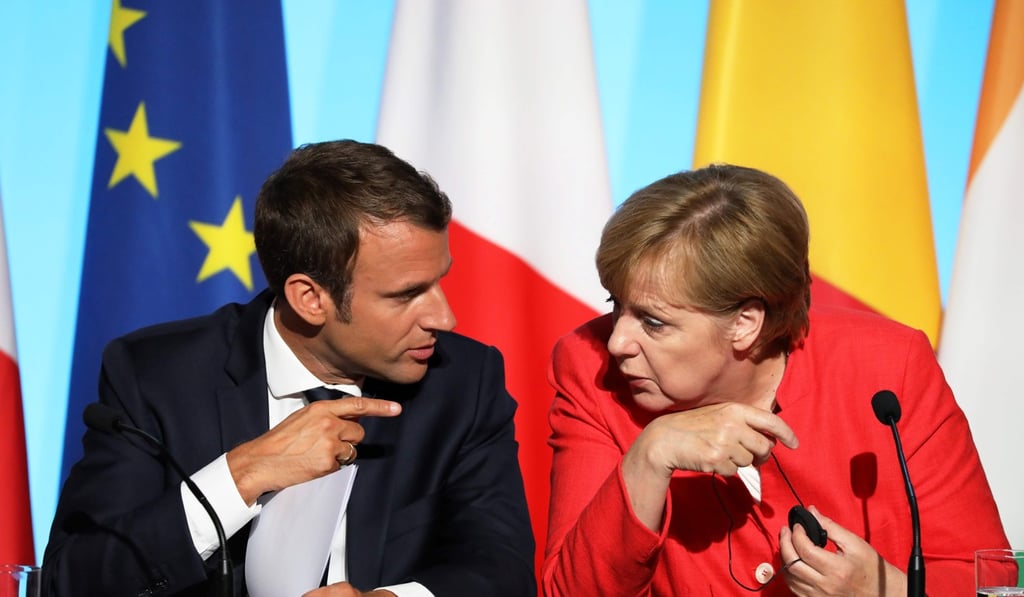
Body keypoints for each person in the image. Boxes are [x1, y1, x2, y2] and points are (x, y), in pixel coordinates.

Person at [43, 140, 536, 597]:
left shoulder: (463, 381)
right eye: (407, 294)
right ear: (310, 298)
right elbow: (72, 581)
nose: (444, 318)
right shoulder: (156, 377)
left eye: (438, 281)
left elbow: (502, 568)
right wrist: (242, 474)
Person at [542, 163, 1011, 596]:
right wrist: (648, 457)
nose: (617, 342)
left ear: (745, 323)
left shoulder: (889, 366)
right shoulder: (590, 371)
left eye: (653, 321)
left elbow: (989, 577)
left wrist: (884, 590)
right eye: (616, 306)